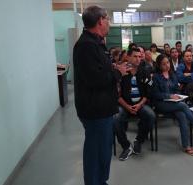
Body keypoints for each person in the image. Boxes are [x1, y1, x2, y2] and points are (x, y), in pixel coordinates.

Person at [73, 5, 126, 185]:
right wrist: (117, 73)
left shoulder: (96, 43)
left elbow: (100, 71)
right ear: (100, 21)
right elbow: (96, 79)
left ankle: (100, 181)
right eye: (108, 19)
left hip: (102, 108)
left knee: (103, 151)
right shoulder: (86, 45)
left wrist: (113, 70)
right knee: (95, 153)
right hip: (95, 110)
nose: (109, 23)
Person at [151, 54, 193, 155]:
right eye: (163, 64)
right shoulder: (155, 77)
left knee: (182, 115)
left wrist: (178, 95)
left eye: (167, 63)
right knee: (183, 106)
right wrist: (169, 96)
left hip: (174, 104)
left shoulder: (172, 75)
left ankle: (186, 146)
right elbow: (155, 94)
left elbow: (176, 89)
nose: (167, 65)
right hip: (161, 104)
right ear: (159, 66)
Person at [115, 48, 155, 161]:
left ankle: (139, 140)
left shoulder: (144, 71)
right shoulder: (122, 72)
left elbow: (149, 91)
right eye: (135, 56)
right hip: (124, 105)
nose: (138, 59)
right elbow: (116, 94)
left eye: (139, 56)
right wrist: (127, 107)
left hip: (140, 104)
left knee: (151, 116)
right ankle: (126, 146)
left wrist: (140, 105)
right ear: (128, 57)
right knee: (116, 117)